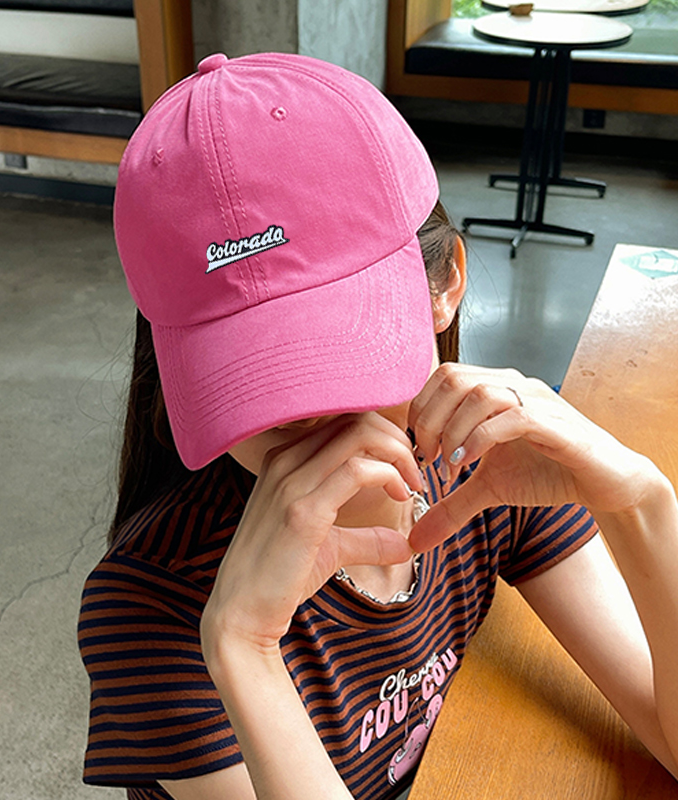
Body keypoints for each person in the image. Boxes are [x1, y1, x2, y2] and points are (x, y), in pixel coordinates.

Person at [78, 52, 678, 800]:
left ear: (445, 284)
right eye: (246, 364)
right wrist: (241, 643)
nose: (297, 410)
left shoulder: (483, 463)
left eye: (332, 347)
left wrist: (643, 503)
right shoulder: (152, 606)